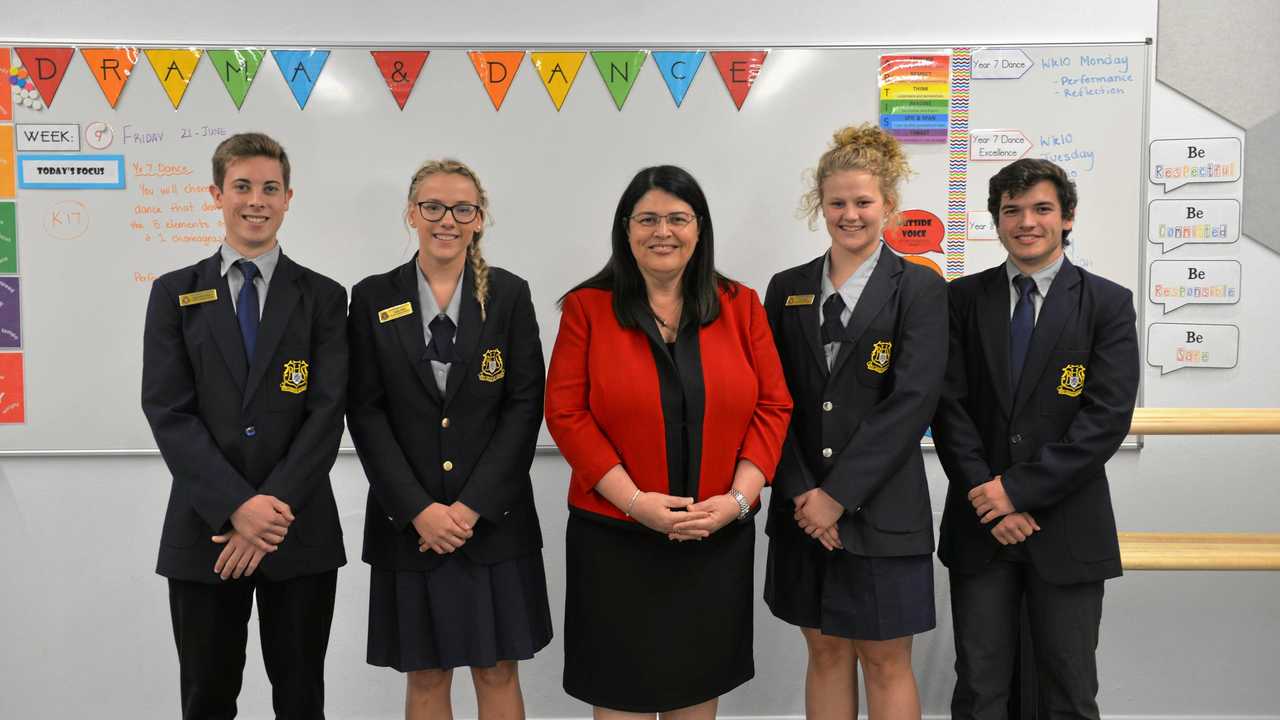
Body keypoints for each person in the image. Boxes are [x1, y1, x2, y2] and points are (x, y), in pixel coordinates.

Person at [545, 165, 792, 719]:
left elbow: (774, 406)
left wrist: (737, 501)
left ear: (698, 229)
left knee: (695, 696)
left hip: (714, 534)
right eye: (648, 219)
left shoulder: (741, 304)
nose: (664, 232)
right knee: (620, 698)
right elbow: (566, 413)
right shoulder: (588, 308)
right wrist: (635, 504)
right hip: (615, 541)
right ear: (625, 229)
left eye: (678, 218)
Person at [141, 132, 347, 719]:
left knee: (301, 697)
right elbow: (167, 409)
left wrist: (269, 508)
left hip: (296, 529)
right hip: (206, 529)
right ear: (216, 194)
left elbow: (327, 412)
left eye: (270, 188)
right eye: (242, 187)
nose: (256, 200)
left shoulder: (325, 297)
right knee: (207, 698)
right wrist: (237, 506)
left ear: (288, 198)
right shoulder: (174, 293)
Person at [932, 158, 1139, 720]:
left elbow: (1104, 419)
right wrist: (990, 498)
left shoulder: (1108, 304)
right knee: (979, 690)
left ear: (1067, 217)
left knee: (1069, 692)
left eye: (1042, 208)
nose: (1027, 221)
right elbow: (948, 408)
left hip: (1067, 526)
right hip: (981, 529)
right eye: (1012, 210)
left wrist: (1018, 493)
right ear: (996, 221)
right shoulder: (960, 300)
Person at [347, 159, 552, 720]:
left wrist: (470, 507)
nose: (447, 220)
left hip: (493, 521)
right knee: (427, 671)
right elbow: (365, 412)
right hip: (408, 526)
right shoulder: (370, 297)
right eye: (433, 207)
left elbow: (524, 404)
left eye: (463, 209)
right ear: (412, 214)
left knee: (497, 668)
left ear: (479, 219)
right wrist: (418, 510)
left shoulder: (509, 295)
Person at [762, 124, 946, 720]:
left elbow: (912, 401)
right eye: (837, 202)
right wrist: (800, 494)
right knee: (825, 652)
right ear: (820, 204)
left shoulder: (919, 287)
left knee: (886, 660)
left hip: (882, 512)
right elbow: (772, 401)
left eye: (863, 202)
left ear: (888, 205)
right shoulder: (786, 289)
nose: (850, 214)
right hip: (801, 511)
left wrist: (836, 498)